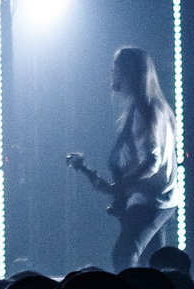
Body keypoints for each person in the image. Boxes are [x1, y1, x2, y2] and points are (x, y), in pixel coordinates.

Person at [70, 47, 181, 271]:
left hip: (149, 201)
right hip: (159, 200)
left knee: (124, 256)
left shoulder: (145, 110)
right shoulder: (154, 108)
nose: (112, 73)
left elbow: (151, 163)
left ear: (130, 73)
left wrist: (120, 185)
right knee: (154, 267)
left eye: (116, 68)